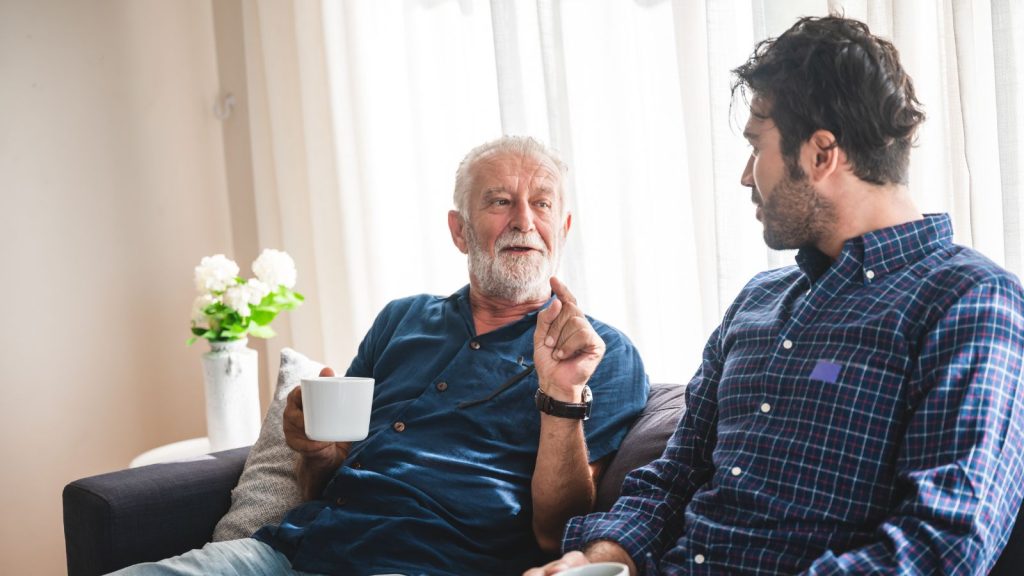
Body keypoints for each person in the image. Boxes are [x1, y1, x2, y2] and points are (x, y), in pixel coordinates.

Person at [526, 15, 1024, 576]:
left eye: (756, 146)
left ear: (820, 154)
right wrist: (598, 560)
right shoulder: (758, 301)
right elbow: (675, 477)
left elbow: (943, 545)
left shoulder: (970, 301)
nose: (745, 176)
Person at [112, 136, 648, 575]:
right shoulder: (403, 319)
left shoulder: (600, 353)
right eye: (499, 201)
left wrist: (561, 394)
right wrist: (316, 451)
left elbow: (557, 530)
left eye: (543, 203)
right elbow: (324, 482)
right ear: (459, 231)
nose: (524, 221)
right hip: (288, 553)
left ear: (565, 229)